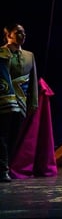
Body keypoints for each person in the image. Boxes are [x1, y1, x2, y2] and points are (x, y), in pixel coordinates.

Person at [0, 23, 39, 182]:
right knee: (1, 136)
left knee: (14, 138)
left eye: (24, 33)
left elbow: (33, 81)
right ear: (8, 34)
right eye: (18, 33)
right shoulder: (1, 53)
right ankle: (3, 170)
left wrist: (33, 103)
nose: (22, 36)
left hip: (21, 103)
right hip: (3, 101)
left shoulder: (29, 56)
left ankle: (6, 166)